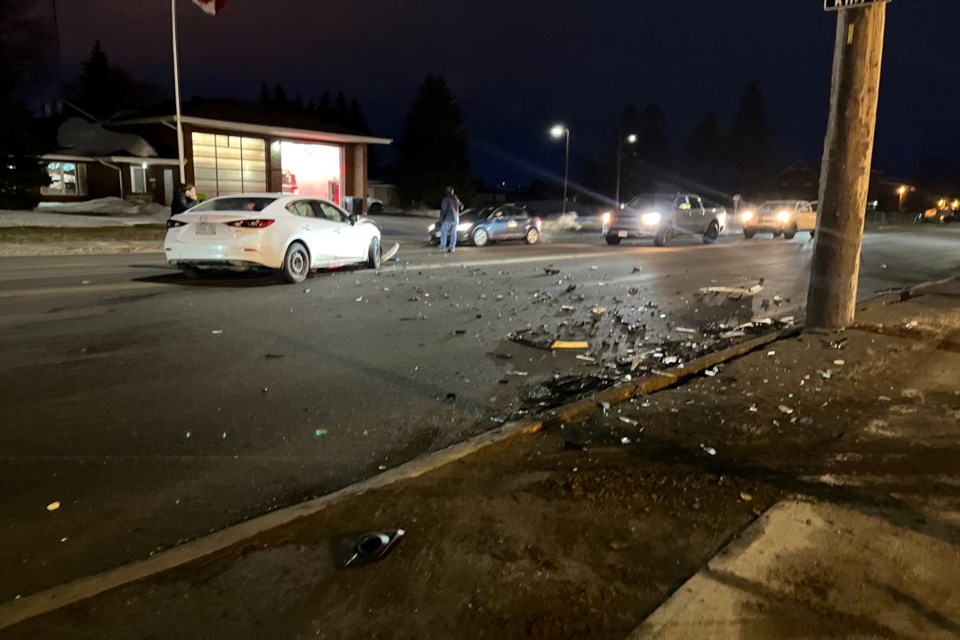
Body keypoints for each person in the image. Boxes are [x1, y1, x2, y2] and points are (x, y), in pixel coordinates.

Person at [438, 186, 462, 254]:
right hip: (456, 218)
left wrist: (441, 219)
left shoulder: (446, 199)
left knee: (444, 232)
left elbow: (444, 210)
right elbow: (461, 207)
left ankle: (442, 247)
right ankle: (452, 248)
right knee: (453, 233)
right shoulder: (456, 199)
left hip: (448, 218)